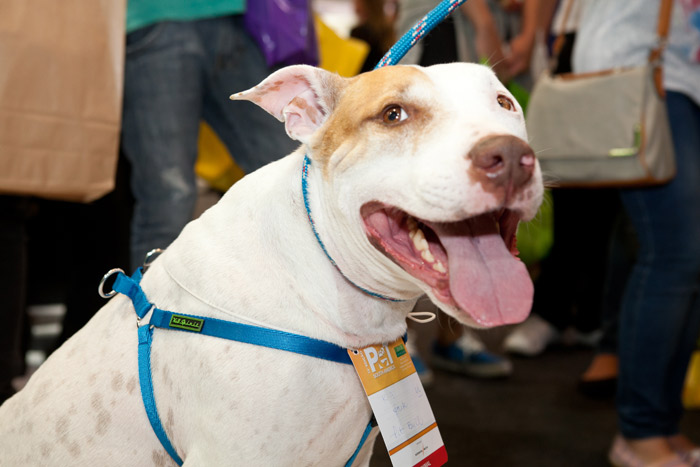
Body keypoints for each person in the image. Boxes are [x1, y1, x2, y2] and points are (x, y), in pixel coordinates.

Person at [573, 1, 700, 465]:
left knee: (679, 257)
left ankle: (660, 426)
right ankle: (641, 432)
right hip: (638, 67)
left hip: (677, 72)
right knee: (675, 255)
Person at [121, 0, 298, 270]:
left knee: (293, 173)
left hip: (239, 17)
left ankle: (303, 301)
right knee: (168, 197)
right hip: (155, 16)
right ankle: (151, 310)